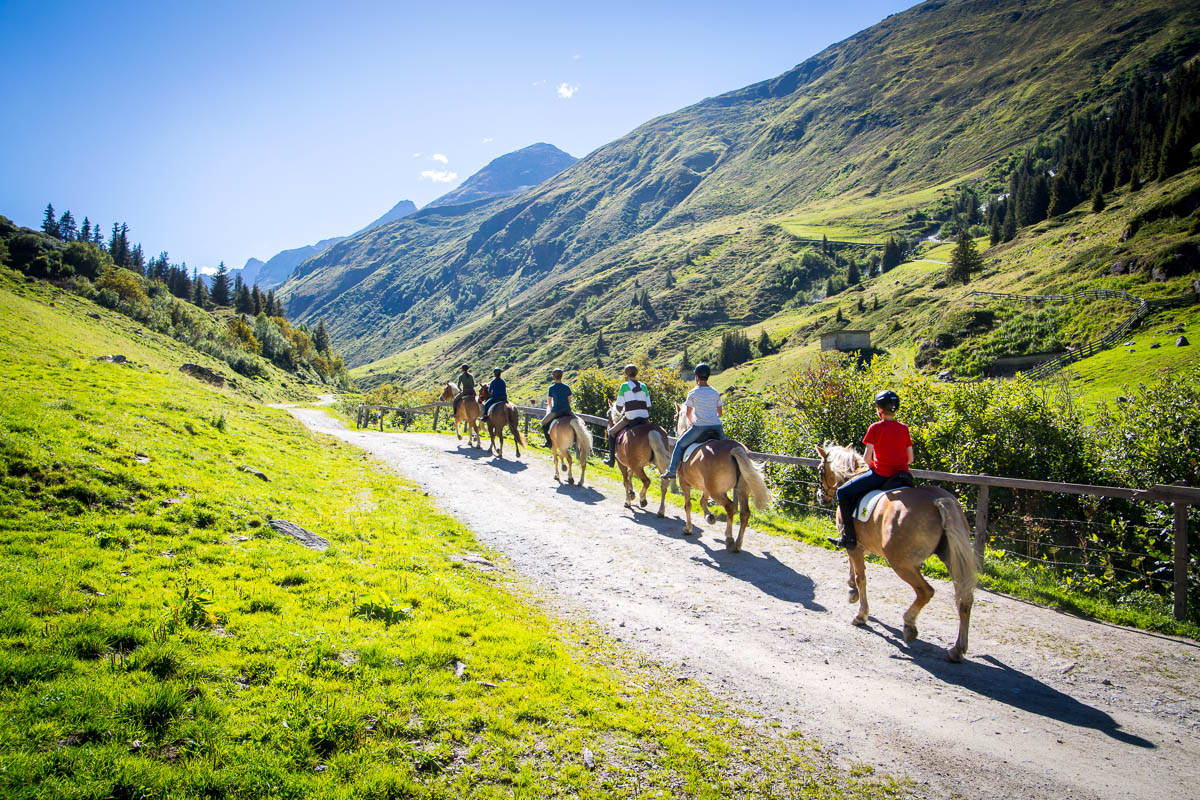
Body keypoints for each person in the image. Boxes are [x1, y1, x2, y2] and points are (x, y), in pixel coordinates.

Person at [828, 389, 914, 550]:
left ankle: (849, 537)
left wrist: (875, 465)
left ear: (880, 409)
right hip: (903, 477)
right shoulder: (904, 428)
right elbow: (910, 459)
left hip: (881, 475)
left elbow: (866, 459)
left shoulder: (875, 428)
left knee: (842, 492)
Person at [661, 363, 723, 480]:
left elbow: (688, 414)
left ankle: (672, 471)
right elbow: (719, 413)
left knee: (679, 445)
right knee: (727, 448)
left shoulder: (693, 393)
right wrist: (711, 419)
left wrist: (694, 422)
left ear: (697, 377)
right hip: (717, 426)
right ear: (708, 376)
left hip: (700, 427)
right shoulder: (715, 392)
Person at [605, 364, 651, 466]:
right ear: (636, 373)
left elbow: (619, 406)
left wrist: (623, 411)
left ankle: (611, 460)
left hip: (630, 418)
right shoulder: (643, 386)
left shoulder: (624, 386)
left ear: (626, 374)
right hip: (644, 418)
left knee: (611, 432)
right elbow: (649, 406)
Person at [540, 368, 574, 447]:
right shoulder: (567, 387)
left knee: (543, 423)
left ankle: (549, 442)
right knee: (579, 421)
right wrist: (566, 407)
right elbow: (569, 400)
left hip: (557, 411)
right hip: (567, 410)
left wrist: (552, 409)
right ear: (562, 376)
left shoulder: (551, 388)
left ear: (553, 377)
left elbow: (549, 401)